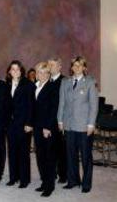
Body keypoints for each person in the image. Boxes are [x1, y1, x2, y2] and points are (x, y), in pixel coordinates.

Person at [58, 56, 98, 193]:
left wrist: (91, 124)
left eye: (79, 65)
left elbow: (94, 106)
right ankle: (73, 180)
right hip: (69, 125)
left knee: (86, 156)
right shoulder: (65, 82)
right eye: (74, 65)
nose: (76, 68)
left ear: (84, 68)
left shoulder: (90, 82)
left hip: (84, 126)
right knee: (70, 155)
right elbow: (62, 103)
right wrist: (60, 120)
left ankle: (86, 184)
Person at [5, 60, 35, 189]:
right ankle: (13, 177)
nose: (15, 71)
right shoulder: (7, 85)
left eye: (17, 69)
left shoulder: (28, 84)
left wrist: (29, 123)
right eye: (12, 69)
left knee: (23, 152)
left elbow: (31, 106)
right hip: (10, 124)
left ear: (21, 70)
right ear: (9, 71)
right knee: (12, 151)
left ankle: (24, 179)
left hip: (24, 124)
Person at [32, 62, 57, 197]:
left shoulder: (52, 87)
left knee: (48, 157)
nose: (40, 75)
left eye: (43, 72)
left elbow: (53, 109)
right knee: (40, 156)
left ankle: (50, 186)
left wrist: (47, 127)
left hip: (47, 127)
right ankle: (44, 182)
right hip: (37, 126)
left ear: (48, 74)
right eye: (38, 72)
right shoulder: (35, 86)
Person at [48, 58, 67, 184]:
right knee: (49, 149)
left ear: (59, 67)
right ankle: (52, 173)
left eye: (53, 65)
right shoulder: (45, 81)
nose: (50, 67)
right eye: (49, 64)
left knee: (61, 150)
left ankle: (63, 175)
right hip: (48, 121)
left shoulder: (65, 81)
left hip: (60, 121)